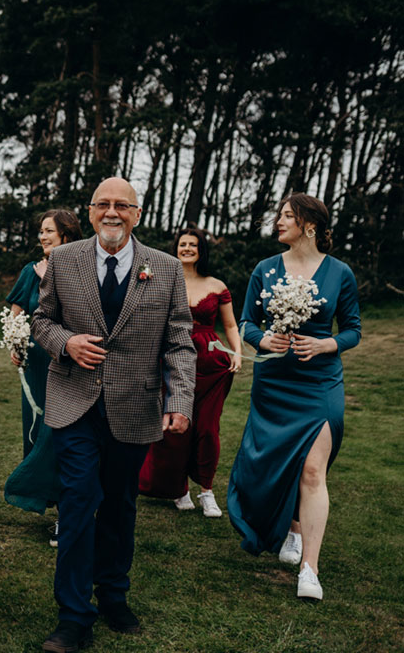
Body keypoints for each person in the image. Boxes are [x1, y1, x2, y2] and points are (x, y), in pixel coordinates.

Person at [32, 177, 195, 652]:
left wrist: (179, 401)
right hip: (74, 404)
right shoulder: (63, 261)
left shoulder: (165, 268)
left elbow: (179, 340)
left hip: (134, 406)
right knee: (79, 501)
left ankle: (114, 596)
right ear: (89, 211)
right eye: (103, 204)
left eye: (122, 205)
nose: (112, 212)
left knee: (121, 506)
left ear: (137, 214)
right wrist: (66, 342)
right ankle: (73, 614)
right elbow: (41, 320)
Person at [228, 193, 360, 601]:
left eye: (287, 215)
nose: (278, 221)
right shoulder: (264, 270)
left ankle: (310, 570)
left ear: (310, 224)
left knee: (313, 471)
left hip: (319, 383)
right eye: (280, 215)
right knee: (273, 463)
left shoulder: (340, 273)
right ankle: (291, 527)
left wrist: (326, 345)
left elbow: (353, 329)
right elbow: (247, 321)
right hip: (275, 383)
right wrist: (262, 338)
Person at [138, 228, 242, 517]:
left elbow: (230, 325)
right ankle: (178, 488)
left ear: (201, 250)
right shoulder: (161, 279)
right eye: (182, 244)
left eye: (192, 245)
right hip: (170, 360)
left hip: (211, 364)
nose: (186, 249)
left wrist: (237, 353)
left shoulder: (216, 284)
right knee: (174, 428)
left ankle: (206, 490)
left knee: (208, 429)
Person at [3, 209, 82, 545]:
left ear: (66, 234)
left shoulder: (81, 270)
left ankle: (69, 512)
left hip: (67, 364)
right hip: (34, 364)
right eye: (41, 231)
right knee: (38, 434)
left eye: (49, 230)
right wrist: (14, 343)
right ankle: (51, 497)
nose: (43, 236)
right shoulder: (29, 272)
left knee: (61, 437)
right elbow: (16, 314)